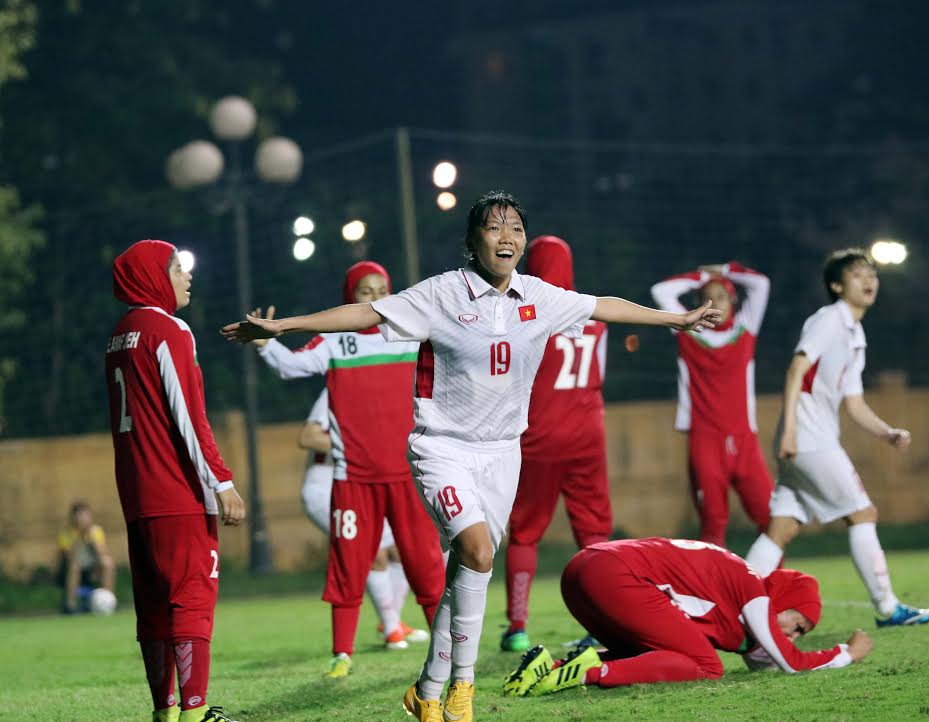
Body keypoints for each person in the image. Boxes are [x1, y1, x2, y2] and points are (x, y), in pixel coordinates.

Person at [221, 190, 721, 722]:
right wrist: (283, 327)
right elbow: (365, 313)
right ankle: (463, 690)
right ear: (471, 240)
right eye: (493, 227)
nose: (506, 237)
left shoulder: (539, 295)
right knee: (479, 553)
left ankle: (426, 691)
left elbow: (605, 306)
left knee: (466, 569)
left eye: (515, 228)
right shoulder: (441, 294)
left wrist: (676, 320)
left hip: (504, 454)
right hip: (442, 449)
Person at [248, 261, 445, 678]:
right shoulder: (334, 341)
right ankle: (342, 654)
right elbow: (292, 367)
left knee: (426, 566)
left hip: (409, 476)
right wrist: (266, 345)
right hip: (353, 480)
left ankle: (444, 652)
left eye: (382, 289)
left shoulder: (412, 334)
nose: (375, 298)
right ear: (349, 298)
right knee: (349, 567)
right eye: (364, 291)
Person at [744, 248, 929, 627]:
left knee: (781, 531)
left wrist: (887, 432)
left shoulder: (854, 333)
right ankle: (888, 608)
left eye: (872, 274)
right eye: (857, 274)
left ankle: (731, 600)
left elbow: (854, 402)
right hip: (810, 442)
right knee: (863, 512)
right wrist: (792, 432)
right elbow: (796, 368)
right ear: (836, 285)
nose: (868, 280)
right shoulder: (829, 319)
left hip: (805, 442)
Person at [106, 240, 245, 722]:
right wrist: (221, 481)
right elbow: (188, 413)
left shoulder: (120, 334)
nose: (186, 276)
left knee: (154, 610)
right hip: (178, 493)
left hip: (137, 497)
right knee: (190, 601)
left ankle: (164, 712)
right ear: (152, 276)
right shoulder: (168, 329)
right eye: (176, 268)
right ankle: (196, 711)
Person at [502, 538, 873, 697]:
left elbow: (761, 657)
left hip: (583, 567)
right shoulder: (755, 592)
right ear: (783, 600)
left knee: (663, 650)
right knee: (707, 665)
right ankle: (584, 673)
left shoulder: (738, 585)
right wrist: (846, 653)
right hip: (613, 573)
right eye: (797, 625)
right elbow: (789, 664)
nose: (792, 635)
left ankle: (549, 668)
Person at [501, 235, 612, 653]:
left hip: (541, 436)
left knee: (526, 533)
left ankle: (517, 627)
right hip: (588, 435)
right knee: (595, 532)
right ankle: (605, 623)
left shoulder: (526, 312)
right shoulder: (592, 313)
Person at [650, 262, 773, 547]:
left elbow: (761, 284)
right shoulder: (688, 330)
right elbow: (661, 291)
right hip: (706, 441)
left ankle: (770, 585)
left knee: (770, 518)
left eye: (721, 296)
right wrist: (703, 277)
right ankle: (714, 589)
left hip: (744, 440)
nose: (714, 303)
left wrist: (724, 270)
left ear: (733, 301)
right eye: (707, 297)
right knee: (713, 524)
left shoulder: (746, 327)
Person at [297, 389, 427, 653]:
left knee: (399, 550)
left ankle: (392, 622)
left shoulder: (382, 389)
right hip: (325, 487)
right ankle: (391, 630)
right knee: (373, 552)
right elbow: (308, 437)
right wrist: (358, 445)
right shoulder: (339, 385)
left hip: (361, 486)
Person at [57, 501, 116, 614]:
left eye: (86, 515)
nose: (83, 519)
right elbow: (69, 558)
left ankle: (109, 600)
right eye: (80, 516)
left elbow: (102, 553)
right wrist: (79, 537)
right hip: (74, 569)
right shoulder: (66, 534)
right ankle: (71, 605)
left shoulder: (96, 531)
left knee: (107, 563)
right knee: (74, 567)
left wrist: (91, 536)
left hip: (93, 567)